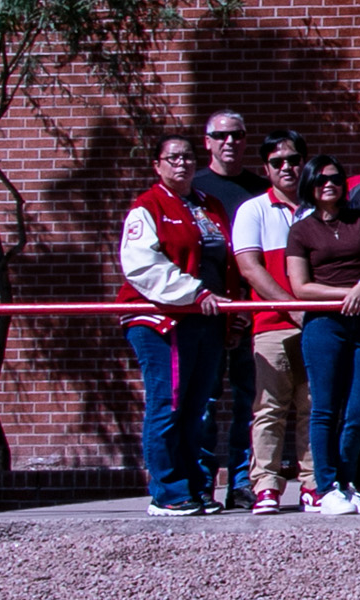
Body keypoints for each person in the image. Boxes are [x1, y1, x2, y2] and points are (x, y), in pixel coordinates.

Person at [120, 135, 238, 516]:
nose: (181, 164)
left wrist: (229, 311)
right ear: (157, 165)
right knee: (168, 405)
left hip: (207, 320)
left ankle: (196, 486)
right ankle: (168, 492)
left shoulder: (210, 206)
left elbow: (225, 260)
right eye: (172, 158)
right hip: (162, 322)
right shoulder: (147, 207)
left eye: (187, 157)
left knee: (197, 408)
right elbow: (142, 267)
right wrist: (195, 292)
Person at [285, 154, 360, 516]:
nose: (328, 184)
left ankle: (347, 482)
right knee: (325, 408)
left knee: (359, 409)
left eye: (335, 178)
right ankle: (325, 485)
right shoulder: (301, 230)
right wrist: (350, 294)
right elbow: (301, 287)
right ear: (309, 186)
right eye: (320, 179)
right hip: (324, 324)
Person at [231, 130, 319, 515]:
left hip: (319, 325)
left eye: (294, 160)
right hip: (272, 324)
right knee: (269, 407)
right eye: (278, 162)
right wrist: (292, 307)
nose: (288, 168)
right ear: (266, 168)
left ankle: (313, 483)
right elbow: (251, 269)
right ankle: (266, 484)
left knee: (313, 405)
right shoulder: (253, 210)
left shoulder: (320, 207)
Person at [193, 110, 268, 510]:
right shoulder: (194, 189)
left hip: (250, 312)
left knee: (249, 402)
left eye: (237, 135)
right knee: (203, 402)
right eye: (220, 135)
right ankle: (202, 483)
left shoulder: (259, 189)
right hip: (204, 313)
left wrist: (247, 307)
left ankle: (242, 483)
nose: (229, 142)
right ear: (207, 141)